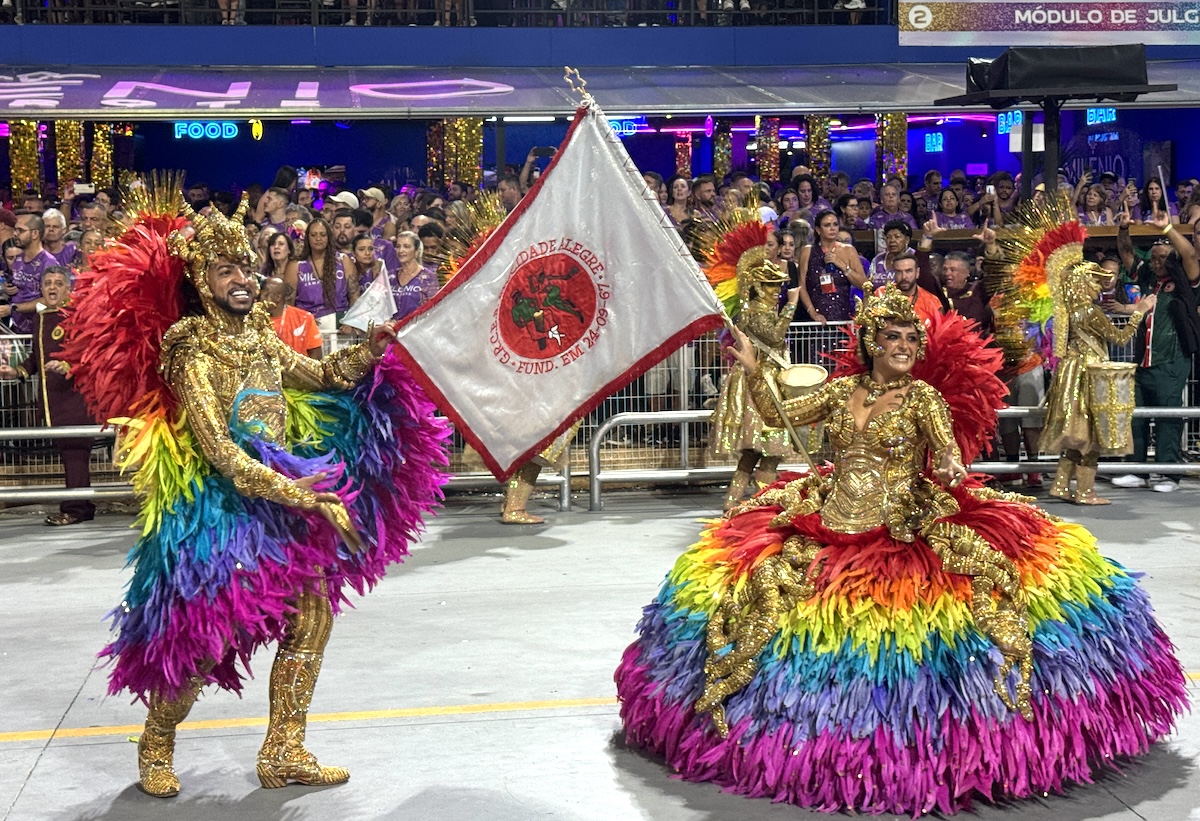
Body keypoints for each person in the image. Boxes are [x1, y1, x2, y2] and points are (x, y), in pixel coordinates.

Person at [614, 284, 1186, 816]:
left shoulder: (923, 400)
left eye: (914, 339)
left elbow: (947, 453)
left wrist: (956, 467)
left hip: (903, 520)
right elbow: (775, 416)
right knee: (758, 593)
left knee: (984, 595)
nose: (906, 347)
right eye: (894, 338)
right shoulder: (841, 390)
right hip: (828, 512)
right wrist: (753, 370)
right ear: (871, 343)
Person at [59, 194, 448, 798]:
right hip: (219, 512)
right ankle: (157, 738)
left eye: (246, 268)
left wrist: (369, 351)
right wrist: (303, 494)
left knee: (312, 617)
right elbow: (220, 450)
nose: (243, 279)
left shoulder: (260, 336)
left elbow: (320, 376)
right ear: (200, 279)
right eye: (226, 270)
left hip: (283, 503)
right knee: (200, 642)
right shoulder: (192, 345)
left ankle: (284, 750)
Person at [1029, 219, 1156, 504]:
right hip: (1089, 374)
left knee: (1076, 433)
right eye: (1096, 280)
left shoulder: (1071, 311)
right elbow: (1120, 338)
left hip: (1072, 372)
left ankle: (1060, 485)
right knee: (1091, 434)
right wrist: (1141, 311)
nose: (1101, 285)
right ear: (1083, 283)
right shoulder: (1089, 312)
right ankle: (1085, 491)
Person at [1112, 209, 1200, 491]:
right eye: (1155, 257)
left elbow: (1190, 255)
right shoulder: (1148, 277)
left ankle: (1169, 475)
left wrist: (1167, 229)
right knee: (1136, 415)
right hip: (1143, 360)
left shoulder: (1186, 280)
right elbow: (1126, 255)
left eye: (1164, 256)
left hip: (1171, 359)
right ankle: (1138, 470)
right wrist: (1124, 229)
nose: (1158, 261)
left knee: (1167, 417)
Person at [0, 267, 96, 525]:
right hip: (53, 400)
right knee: (70, 454)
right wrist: (16, 371)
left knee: (75, 453)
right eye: (48, 283)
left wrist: (67, 366)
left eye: (59, 283)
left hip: (75, 399)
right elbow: (36, 358)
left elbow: (88, 353)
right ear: (41, 289)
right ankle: (82, 506)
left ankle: (75, 510)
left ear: (69, 289)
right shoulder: (41, 319)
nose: (53, 288)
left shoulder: (77, 316)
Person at [708, 248, 799, 510]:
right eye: (772, 287)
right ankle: (762, 508)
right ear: (758, 288)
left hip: (767, 380)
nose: (777, 292)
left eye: (778, 287)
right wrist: (791, 305)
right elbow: (775, 337)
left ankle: (732, 503)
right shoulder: (756, 313)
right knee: (770, 452)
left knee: (755, 454)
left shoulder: (759, 311)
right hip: (759, 386)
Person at [797, 209, 867, 324]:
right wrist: (813, 313)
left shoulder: (848, 250)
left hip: (843, 317)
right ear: (818, 230)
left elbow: (864, 284)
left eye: (835, 224)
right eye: (827, 225)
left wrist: (843, 266)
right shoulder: (807, 251)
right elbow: (801, 286)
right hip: (815, 320)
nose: (832, 228)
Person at [4, 212, 58, 334]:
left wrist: (13, 308)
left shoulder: (49, 263)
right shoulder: (18, 259)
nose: (15, 234)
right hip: (17, 328)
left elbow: (50, 298)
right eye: (15, 230)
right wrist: (9, 290)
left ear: (35, 234)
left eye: (20, 230)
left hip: (38, 329)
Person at [261, 276, 323, 359]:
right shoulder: (254, 318)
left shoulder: (304, 318)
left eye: (264, 296)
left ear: (278, 297)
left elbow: (316, 356)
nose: (258, 300)